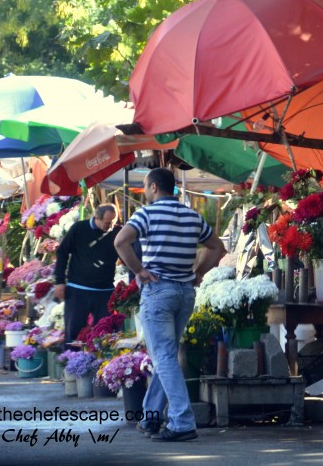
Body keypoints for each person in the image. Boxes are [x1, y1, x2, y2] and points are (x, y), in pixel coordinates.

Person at [114, 168, 225, 442]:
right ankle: (150, 416)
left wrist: (138, 270)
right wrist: (198, 272)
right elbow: (217, 247)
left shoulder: (147, 214)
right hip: (185, 293)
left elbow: (121, 241)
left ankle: (182, 422)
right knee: (166, 357)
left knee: (163, 357)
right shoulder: (192, 216)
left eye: (145, 187)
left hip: (158, 291)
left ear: (153, 187)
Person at [53, 204, 120, 345]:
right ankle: (70, 362)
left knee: (105, 334)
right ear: (97, 217)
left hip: (105, 290)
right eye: (108, 223)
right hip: (78, 289)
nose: (111, 226)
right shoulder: (79, 229)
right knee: (74, 334)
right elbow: (62, 252)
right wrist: (59, 281)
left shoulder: (117, 232)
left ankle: (102, 365)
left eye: (114, 222)